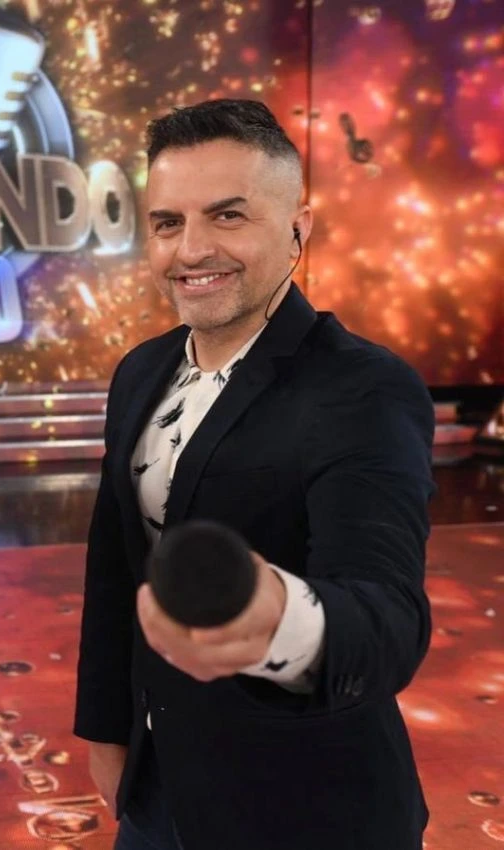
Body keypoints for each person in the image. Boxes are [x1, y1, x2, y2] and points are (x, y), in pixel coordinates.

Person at [74, 99, 435, 850]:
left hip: (307, 807)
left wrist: (275, 620)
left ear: (299, 228)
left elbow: (387, 616)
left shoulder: (363, 388)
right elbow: (114, 569)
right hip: (157, 792)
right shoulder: (139, 372)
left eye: (228, 216)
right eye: (167, 223)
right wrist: (106, 731)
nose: (191, 249)